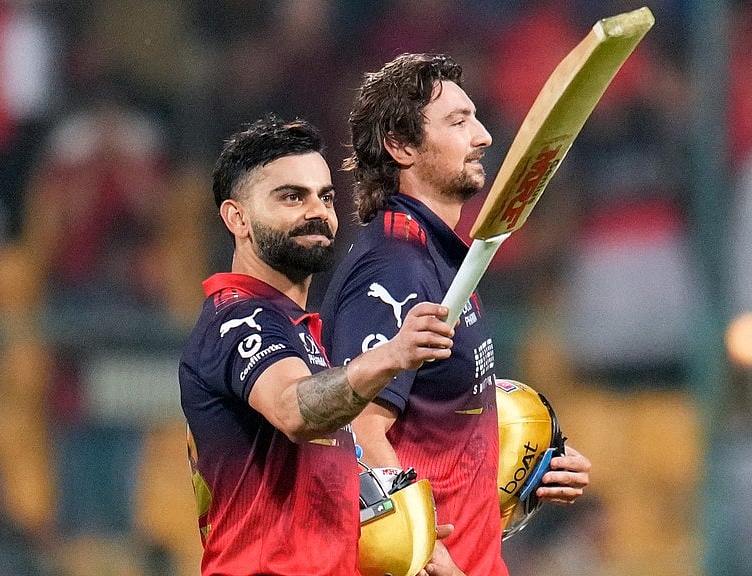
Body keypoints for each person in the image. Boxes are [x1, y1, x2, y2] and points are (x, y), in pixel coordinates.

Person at [320, 53, 591, 576]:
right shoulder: (395, 267)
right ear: (400, 146)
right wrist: (434, 560)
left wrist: (532, 469)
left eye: (476, 117)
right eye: (458, 122)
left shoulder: (441, 257)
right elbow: (357, 432)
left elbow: (437, 416)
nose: (484, 136)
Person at [178, 115, 461, 576]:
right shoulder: (239, 317)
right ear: (237, 217)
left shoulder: (300, 331)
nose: (317, 211)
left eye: (325, 197)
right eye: (291, 196)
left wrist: (402, 534)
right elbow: (295, 411)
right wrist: (391, 354)